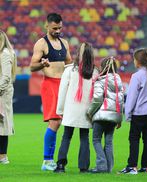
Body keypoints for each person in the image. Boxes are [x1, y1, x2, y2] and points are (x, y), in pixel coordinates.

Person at [30, 13, 72, 171]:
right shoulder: (41, 44)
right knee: (55, 121)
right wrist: (42, 64)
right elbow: (32, 66)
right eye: (54, 28)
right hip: (50, 84)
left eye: (60, 27)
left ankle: (51, 160)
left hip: (64, 84)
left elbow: (69, 63)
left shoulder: (64, 43)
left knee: (61, 122)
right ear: (46, 26)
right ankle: (47, 161)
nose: (57, 30)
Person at [53, 42, 98, 173]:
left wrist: (60, 110)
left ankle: (60, 165)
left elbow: (62, 92)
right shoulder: (95, 72)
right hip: (87, 111)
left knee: (66, 136)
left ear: (78, 54)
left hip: (71, 110)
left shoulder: (69, 70)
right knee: (84, 137)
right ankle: (83, 167)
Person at [117, 48, 147, 175]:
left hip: (139, 113)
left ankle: (132, 167)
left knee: (134, 138)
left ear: (138, 62)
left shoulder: (136, 76)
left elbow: (131, 97)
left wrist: (128, 114)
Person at [86, 56, 124, 173]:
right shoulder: (118, 80)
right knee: (108, 142)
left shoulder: (100, 80)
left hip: (101, 116)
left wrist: (89, 112)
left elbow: (97, 98)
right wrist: (119, 118)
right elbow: (121, 100)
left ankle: (101, 166)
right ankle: (109, 167)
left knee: (96, 140)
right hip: (113, 117)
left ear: (103, 67)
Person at [0, 30, 17, 164]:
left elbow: (6, 77)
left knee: (2, 123)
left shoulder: (5, 54)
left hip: (2, 93)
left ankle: (3, 156)